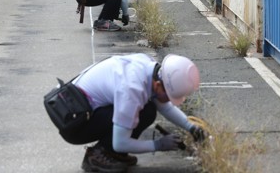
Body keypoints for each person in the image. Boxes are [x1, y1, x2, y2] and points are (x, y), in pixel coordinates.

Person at [59, 53, 205, 172]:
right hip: (75, 124)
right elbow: (120, 143)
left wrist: (191, 127)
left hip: (76, 109)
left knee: (147, 110)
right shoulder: (132, 90)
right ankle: (98, 154)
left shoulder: (148, 67)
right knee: (144, 111)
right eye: (169, 96)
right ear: (159, 84)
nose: (170, 101)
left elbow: (164, 107)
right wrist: (158, 145)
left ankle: (113, 154)